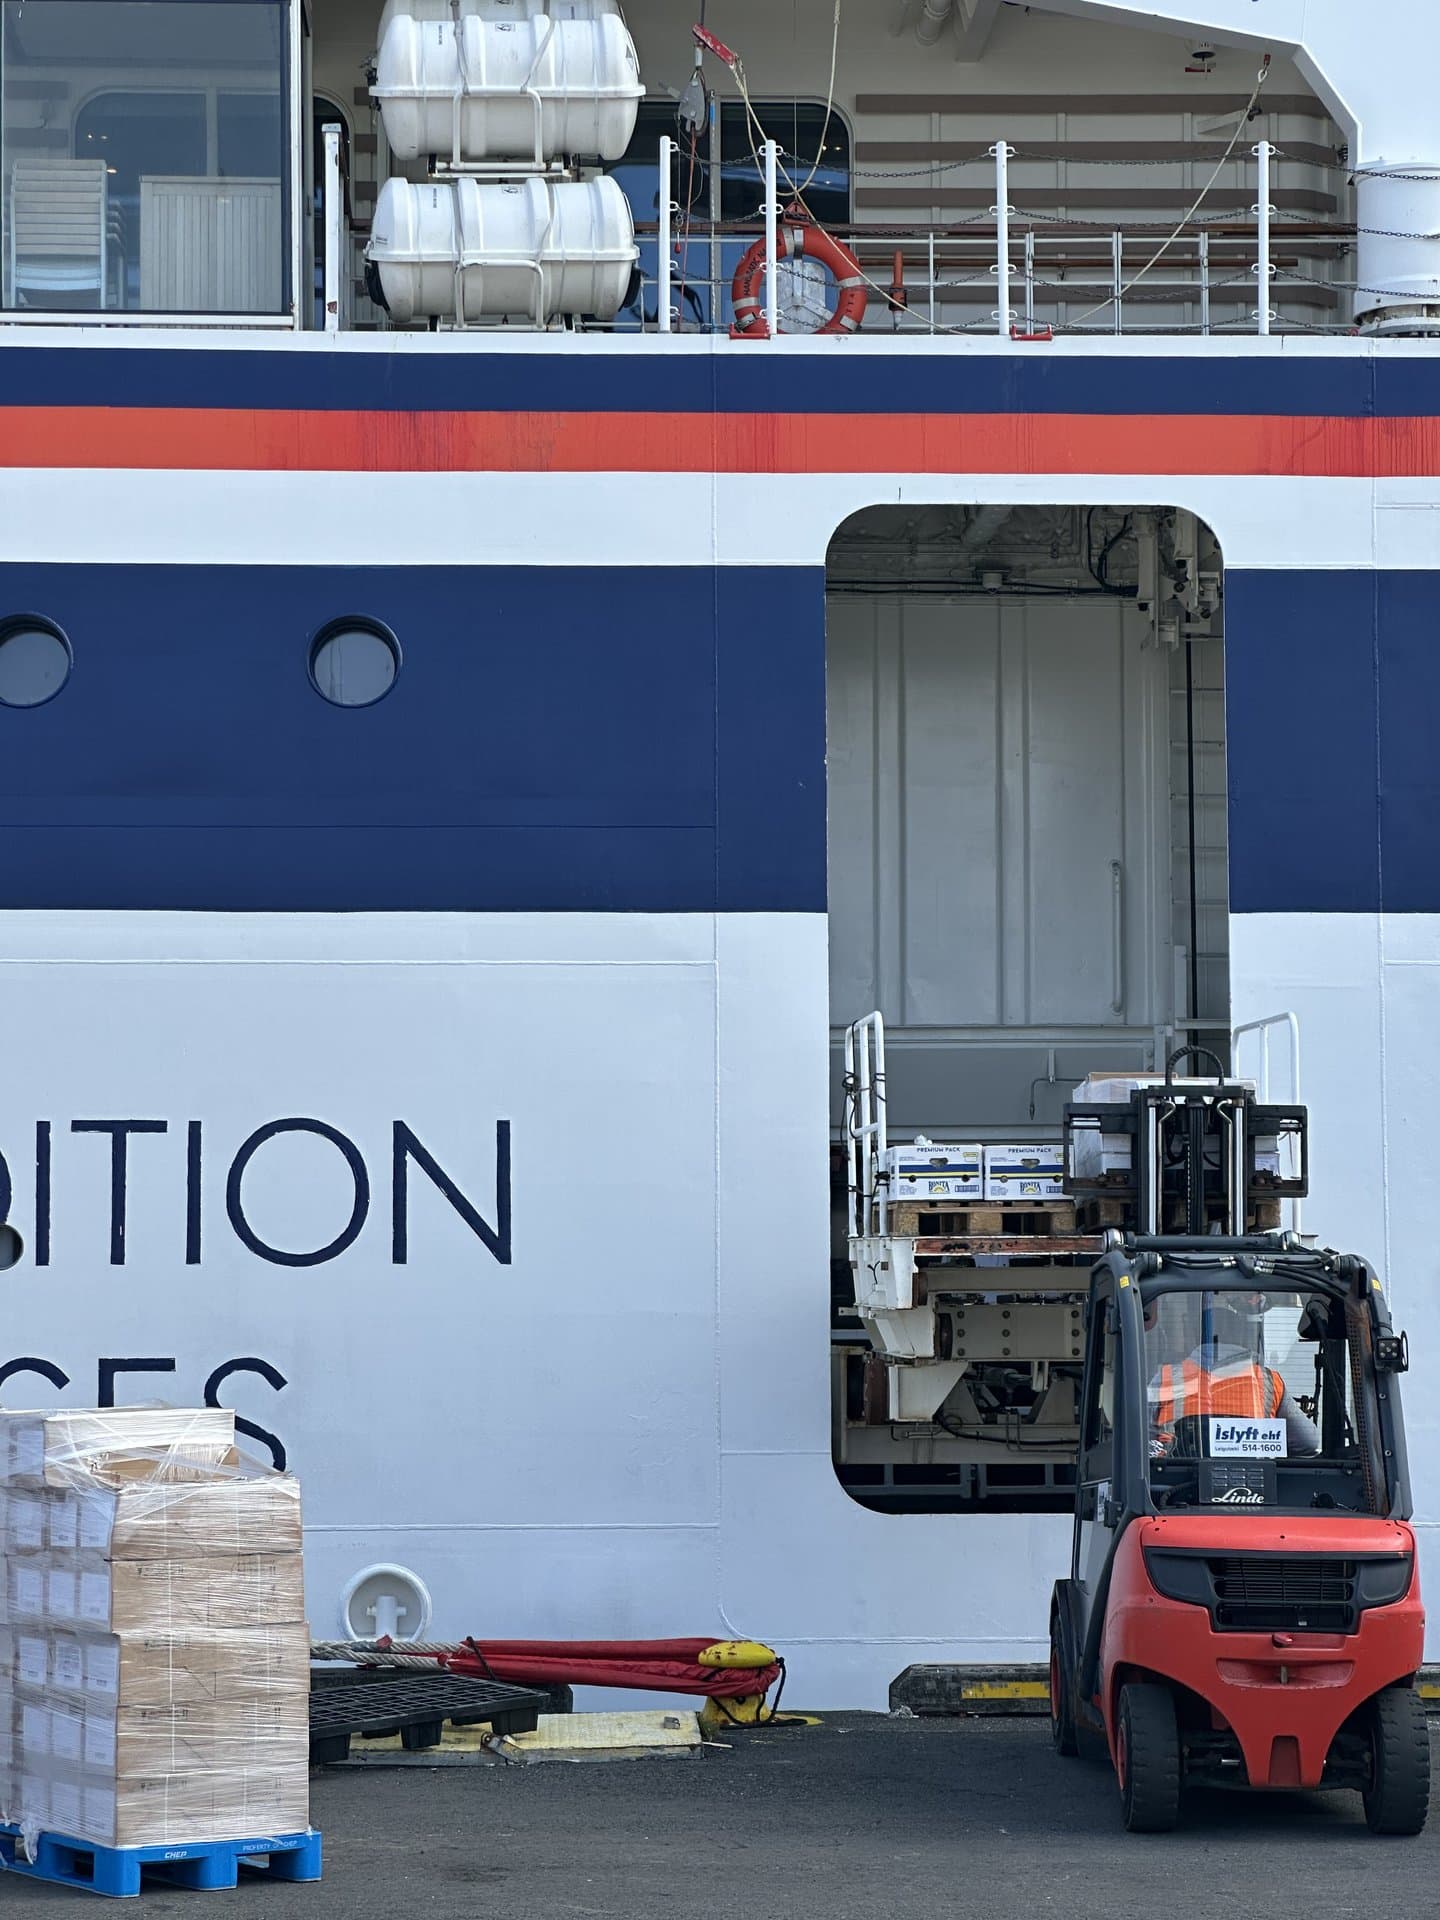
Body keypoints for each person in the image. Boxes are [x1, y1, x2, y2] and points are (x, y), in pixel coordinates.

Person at [1149, 1291, 1320, 1455]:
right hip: (1256, 1479)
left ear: (1194, 1338)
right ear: (1240, 1337)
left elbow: (1140, 1435)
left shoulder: (1167, 1377)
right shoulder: (1269, 1380)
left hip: (1178, 1479)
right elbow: (1308, 1442)